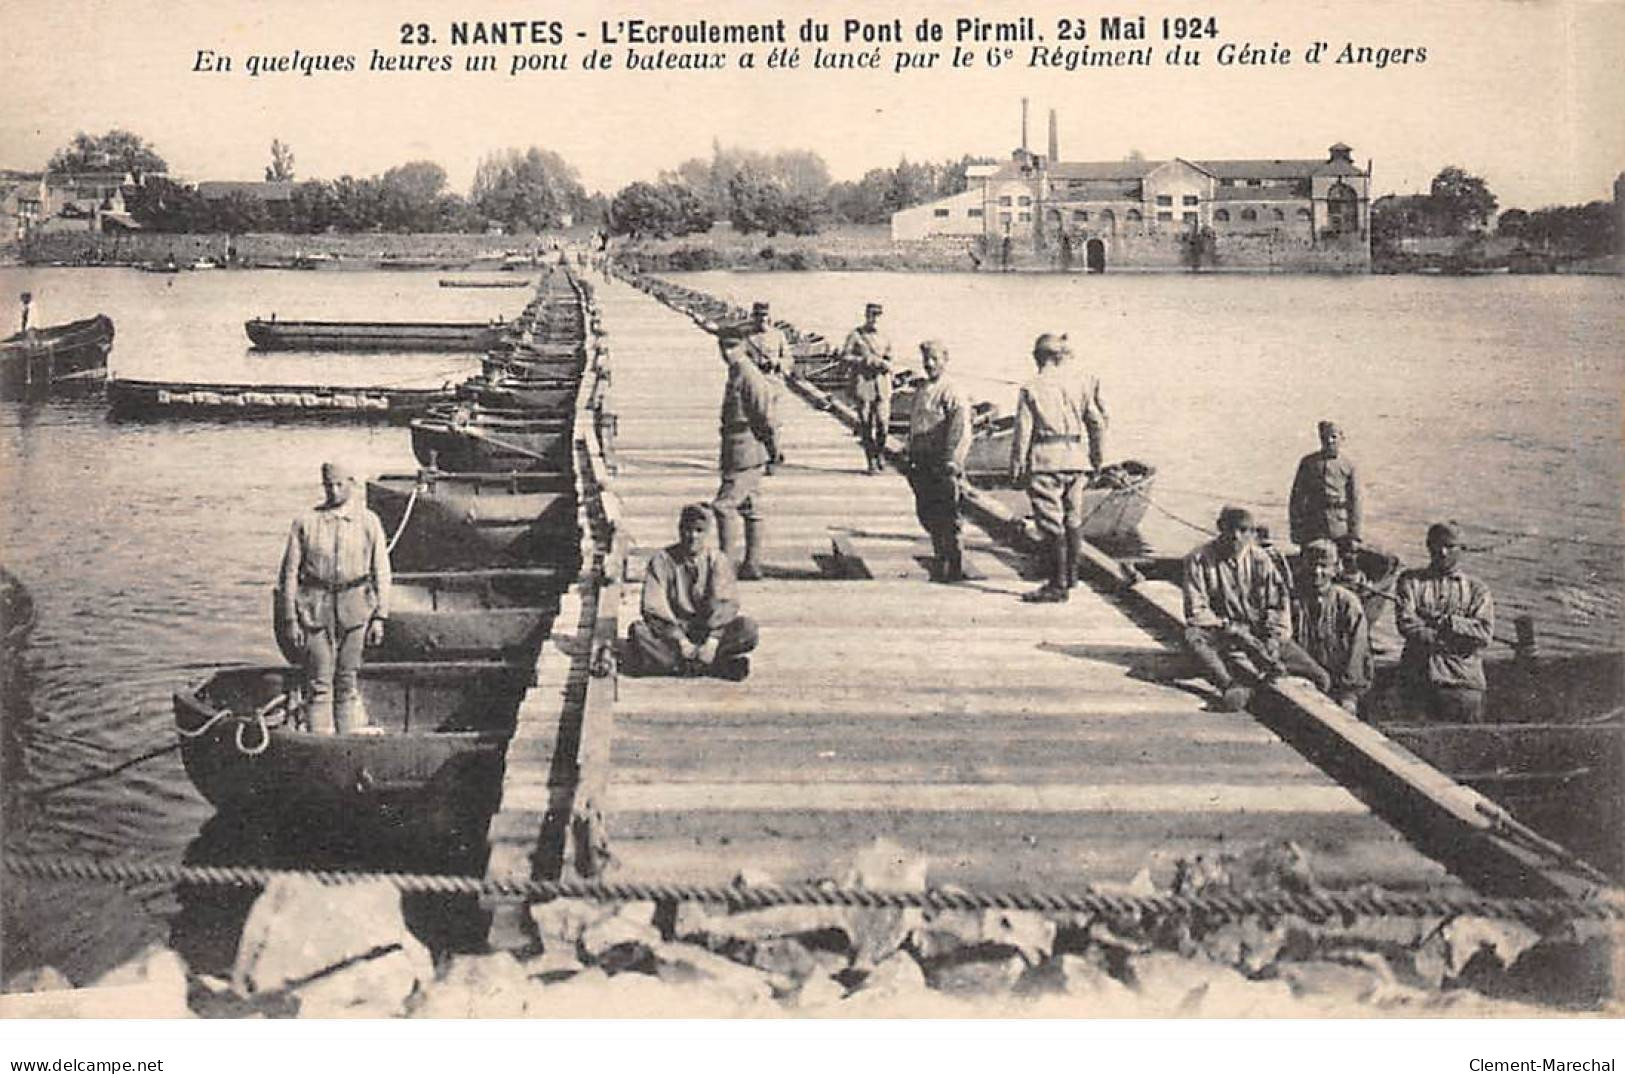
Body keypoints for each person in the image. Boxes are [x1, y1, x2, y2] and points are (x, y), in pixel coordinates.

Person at [277, 462, 392, 734]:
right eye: (328, 485)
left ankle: (346, 742)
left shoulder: (369, 522)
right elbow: (289, 575)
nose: (333, 490)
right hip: (314, 611)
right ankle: (319, 744)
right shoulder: (305, 523)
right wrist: (290, 619)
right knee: (319, 683)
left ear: (352, 484)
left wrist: (380, 617)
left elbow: (382, 572)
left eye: (339, 484)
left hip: (356, 610)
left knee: (347, 680)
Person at [1182, 506, 1328, 711]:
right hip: (1223, 632)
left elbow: (1277, 605)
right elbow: (1196, 611)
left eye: (1243, 530)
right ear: (1219, 527)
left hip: (1258, 632)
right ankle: (1228, 684)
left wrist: (1273, 638)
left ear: (1252, 534)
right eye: (1230, 529)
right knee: (1193, 636)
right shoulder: (1198, 559)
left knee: (1321, 678)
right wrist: (1229, 628)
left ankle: (1266, 677)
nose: (1235, 536)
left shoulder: (1261, 560)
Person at [1009, 333, 1107, 603]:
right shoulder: (1081, 384)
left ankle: (1057, 584)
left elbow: (1023, 433)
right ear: (1060, 356)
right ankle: (1072, 576)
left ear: (1038, 357)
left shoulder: (1031, 387)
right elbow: (1097, 423)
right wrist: (1097, 458)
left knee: (1051, 524)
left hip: (1046, 462)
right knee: (1073, 518)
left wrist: (1017, 466)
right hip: (1076, 460)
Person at [626, 504, 759, 680]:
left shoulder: (717, 560)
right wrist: (680, 640)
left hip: (707, 630)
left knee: (747, 628)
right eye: (687, 530)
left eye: (699, 531)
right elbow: (653, 607)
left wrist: (713, 640)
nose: (692, 536)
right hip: (674, 632)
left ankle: (680, 665)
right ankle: (713, 667)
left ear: (707, 533)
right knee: (638, 631)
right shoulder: (662, 560)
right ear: (679, 530)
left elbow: (726, 603)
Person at [1394, 522, 1495, 722]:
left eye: (1449, 546)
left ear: (1462, 549)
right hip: (1418, 679)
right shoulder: (1411, 581)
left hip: (1462, 681)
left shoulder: (1477, 590)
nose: (1441, 551)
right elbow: (1407, 624)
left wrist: (1449, 622)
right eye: (1435, 545)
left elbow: (1484, 634)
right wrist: (1453, 638)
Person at [712, 320, 784, 581]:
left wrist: (775, 449)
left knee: (724, 506)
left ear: (744, 346)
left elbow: (766, 417)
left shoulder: (749, 375)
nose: (726, 352)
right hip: (737, 447)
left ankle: (726, 566)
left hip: (746, 448)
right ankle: (752, 564)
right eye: (722, 346)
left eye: (732, 346)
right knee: (751, 506)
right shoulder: (737, 372)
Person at [904, 340, 978, 583]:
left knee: (948, 514)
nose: (930, 364)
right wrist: (909, 451)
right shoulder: (923, 389)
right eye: (926, 359)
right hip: (921, 460)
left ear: (946, 359)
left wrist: (953, 461)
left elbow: (960, 429)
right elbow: (915, 424)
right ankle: (940, 556)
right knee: (926, 511)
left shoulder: (952, 390)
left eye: (935, 359)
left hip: (942, 462)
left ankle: (954, 564)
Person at [1292, 539, 1374, 713]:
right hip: (1304, 680)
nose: (1317, 572)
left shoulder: (1348, 603)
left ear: (1336, 569)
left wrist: (1349, 695)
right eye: (1312, 565)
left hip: (1341, 683)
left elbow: (1358, 652)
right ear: (1303, 566)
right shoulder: (1293, 601)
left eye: (1324, 566)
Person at [1289, 420, 1362, 552]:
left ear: (1342, 438)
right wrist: (1296, 530)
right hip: (1313, 526)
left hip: (1340, 528)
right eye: (1325, 437)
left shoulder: (1348, 465)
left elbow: (1355, 502)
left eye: (1334, 436)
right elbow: (1296, 499)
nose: (1329, 441)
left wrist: (1355, 535)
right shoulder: (1308, 463)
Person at [843, 302, 894, 473]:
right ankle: (870, 459)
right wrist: (865, 361)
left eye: (878, 316)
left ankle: (879, 452)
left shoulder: (886, 336)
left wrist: (886, 364)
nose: (875, 319)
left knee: (883, 423)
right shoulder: (856, 335)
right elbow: (845, 357)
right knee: (866, 424)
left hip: (882, 384)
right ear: (866, 316)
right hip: (864, 384)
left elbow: (890, 357)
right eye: (872, 315)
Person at [740, 300, 790, 380]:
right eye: (758, 315)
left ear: (769, 317)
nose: (762, 318)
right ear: (753, 316)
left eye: (764, 315)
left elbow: (789, 359)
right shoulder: (745, 337)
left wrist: (776, 363)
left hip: (774, 380)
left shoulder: (778, 335)